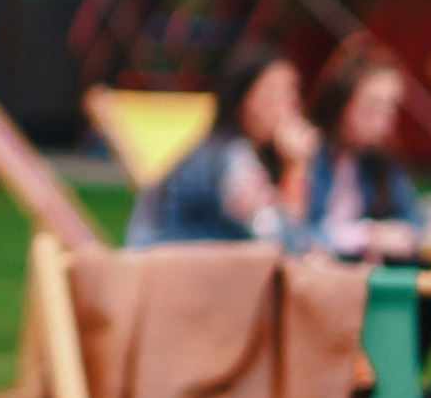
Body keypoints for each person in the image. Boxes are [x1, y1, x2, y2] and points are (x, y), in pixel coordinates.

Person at [129, 46, 317, 250]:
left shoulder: (246, 154)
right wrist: (296, 168)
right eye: (274, 92)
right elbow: (287, 242)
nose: (289, 104)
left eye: (293, 90)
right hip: (166, 272)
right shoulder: (230, 158)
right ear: (242, 100)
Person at [305, 48, 423, 262]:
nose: (385, 120)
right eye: (374, 105)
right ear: (341, 101)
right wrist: (368, 236)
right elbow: (297, 236)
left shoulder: (382, 158)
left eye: (391, 107)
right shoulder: (307, 153)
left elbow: (413, 222)